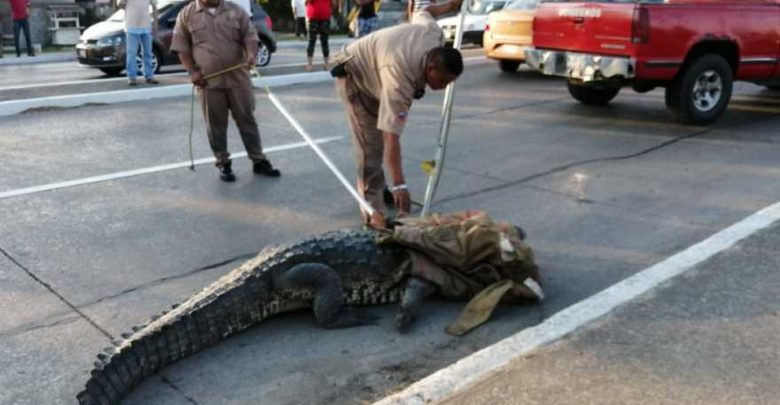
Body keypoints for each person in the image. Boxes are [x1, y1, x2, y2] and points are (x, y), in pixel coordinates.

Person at [330, 0, 464, 228]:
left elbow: (424, 11)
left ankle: (380, 191)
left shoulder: (433, 33)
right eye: (441, 81)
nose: (443, 87)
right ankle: (374, 217)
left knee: (378, 143)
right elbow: (390, 136)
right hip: (354, 75)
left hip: (377, 69)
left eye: (449, 83)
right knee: (370, 149)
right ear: (430, 68)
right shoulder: (400, 80)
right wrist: (400, 184)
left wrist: (450, 5)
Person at [171, 0, 281, 182]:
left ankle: (258, 161)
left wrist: (251, 54)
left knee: (247, 120)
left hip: (238, 78)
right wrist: (192, 71)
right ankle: (223, 163)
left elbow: (250, 36)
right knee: (215, 125)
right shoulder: (186, 14)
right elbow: (181, 46)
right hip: (208, 83)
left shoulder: (236, 11)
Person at [118, 0, 159, 86]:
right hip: (131, 26)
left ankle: (149, 76)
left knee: (148, 53)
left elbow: (154, 6)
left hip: (146, 26)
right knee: (131, 53)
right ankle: (132, 77)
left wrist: (155, 23)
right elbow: (120, 4)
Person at [304, 0, 331, 71]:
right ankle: (310, 64)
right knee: (311, 41)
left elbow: (333, 3)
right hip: (313, 16)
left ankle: (326, 64)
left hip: (324, 16)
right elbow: (306, 2)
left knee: (324, 41)